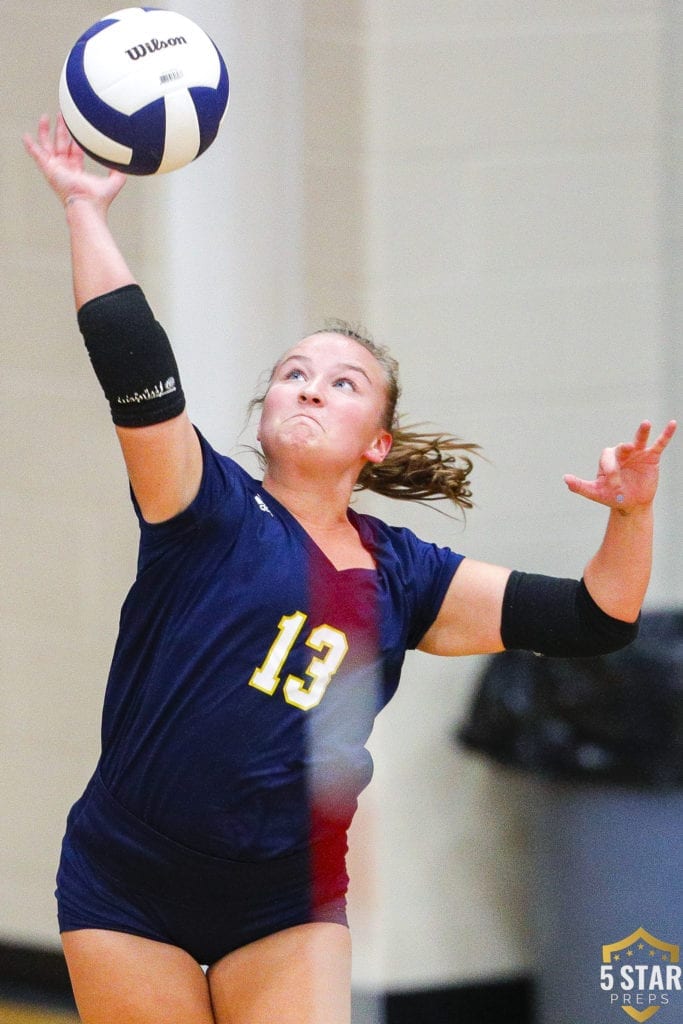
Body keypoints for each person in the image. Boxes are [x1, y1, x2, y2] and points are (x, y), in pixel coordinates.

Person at [23, 114, 676, 1024]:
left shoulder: (405, 575)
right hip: (130, 881)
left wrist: (631, 516)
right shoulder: (201, 509)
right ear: (262, 413)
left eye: (341, 382)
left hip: (283, 901)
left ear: (376, 444)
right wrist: (86, 211)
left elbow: (595, 620)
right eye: (293, 373)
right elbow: (136, 366)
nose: (309, 387)